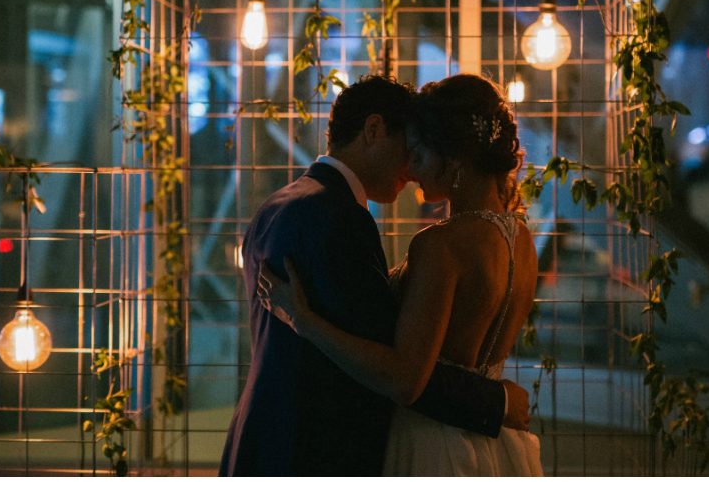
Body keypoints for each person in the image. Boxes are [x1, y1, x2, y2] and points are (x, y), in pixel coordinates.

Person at [219, 75, 530, 476]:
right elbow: (395, 368)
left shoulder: (278, 205)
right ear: (373, 130)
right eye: (408, 148)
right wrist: (496, 402)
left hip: (267, 438)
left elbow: (395, 364)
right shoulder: (343, 219)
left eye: (420, 150)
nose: (412, 168)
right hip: (313, 451)